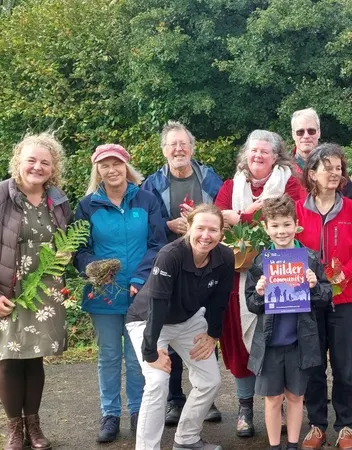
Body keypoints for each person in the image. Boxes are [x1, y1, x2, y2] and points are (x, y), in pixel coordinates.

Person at [215, 129, 307, 437]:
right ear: (245, 154)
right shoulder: (230, 186)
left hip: (283, 280)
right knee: (241, 344)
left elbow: (295, 221)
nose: (258, 156)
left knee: (278, 341)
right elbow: (217, 221)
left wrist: (241, 216)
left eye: (265, 152)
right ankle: (244, 407)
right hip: (239, 279)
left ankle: (277, 403)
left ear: (276, 157)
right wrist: (243, 214)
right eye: (253, 151)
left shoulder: (290, 184)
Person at [74, 144, 167, 443]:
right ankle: (110, 414)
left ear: (127, 166)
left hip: (142, 292)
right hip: (103, 293)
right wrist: (93, 268)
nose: (111, 170)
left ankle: (139, 411)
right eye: (104, 165)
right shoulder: (87, 205)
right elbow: (79, 248)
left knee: (138, 355)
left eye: (117, 163)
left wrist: (141, 278)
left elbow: (158, 244)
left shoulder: (147, 199)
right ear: (97, 170)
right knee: (109, 355)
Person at [126, 204, 234, 450]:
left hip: (188, 321)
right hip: (149, 321)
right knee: (156, 382)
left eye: (213, 230)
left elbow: (220, 299)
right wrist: (150, 350)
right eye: (200, 228)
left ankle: (186, 439)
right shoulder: (170, 254)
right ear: (189, 228)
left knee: (209, 380)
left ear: (221, 234)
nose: (205, 236)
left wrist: (213, 334)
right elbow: (157, 302)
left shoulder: (226, 257)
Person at [141, 120, 224, 425]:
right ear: (164, 150)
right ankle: (175, 400)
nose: (178, 149)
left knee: (201, 326)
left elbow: (222, 211)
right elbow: (147, 221)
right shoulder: (152, 184)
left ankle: (208, 401)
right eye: (172, 144)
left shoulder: (210, 179)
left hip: (205, 261)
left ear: (192, 147)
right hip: (169, 263)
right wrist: (167, 224)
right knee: (169, 325)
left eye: (183, 143)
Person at [295, 144, 352, 450]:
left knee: (344, 365)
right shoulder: (299, 211)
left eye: (338, 167)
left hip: (347, 299)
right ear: (312, 173)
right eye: (327, 167)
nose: (334, 172)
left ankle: (346, 427)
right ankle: (317, 425)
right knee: (313, 365)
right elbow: (286, 247)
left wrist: (343, 275)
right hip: (309, 300)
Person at [0, 133, 72, 450]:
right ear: (18, 162)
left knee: (35, 359)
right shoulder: (3, 194)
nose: (37, 167)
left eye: (45, 162)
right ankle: (14, 430)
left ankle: (35, 426)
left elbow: (65, 239)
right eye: (31, 160)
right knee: (10, 358)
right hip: (10, 290)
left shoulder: (57, 200)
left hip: (45, 289)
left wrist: (65, 253)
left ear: (53, 168)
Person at [245, 195, 332, 450]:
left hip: (299, 342)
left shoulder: (310, 258)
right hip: (270, 343)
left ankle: (293, 444)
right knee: (272, 398)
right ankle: (274, 446)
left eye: (286, 224)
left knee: (296, 396)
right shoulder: (261, 262)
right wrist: (259, 293)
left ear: (296, 224)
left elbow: (326, 297)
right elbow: (251, 303)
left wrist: (315, 286)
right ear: (266, 228)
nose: (281, 231)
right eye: (275, 225)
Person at [291, 108, 352, 200]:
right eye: (300, 132)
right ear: (293, 135)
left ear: (319, 132)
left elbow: (350, 206)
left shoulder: (335, 165)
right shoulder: (283, 170)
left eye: (311, 131)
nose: (306, 136)